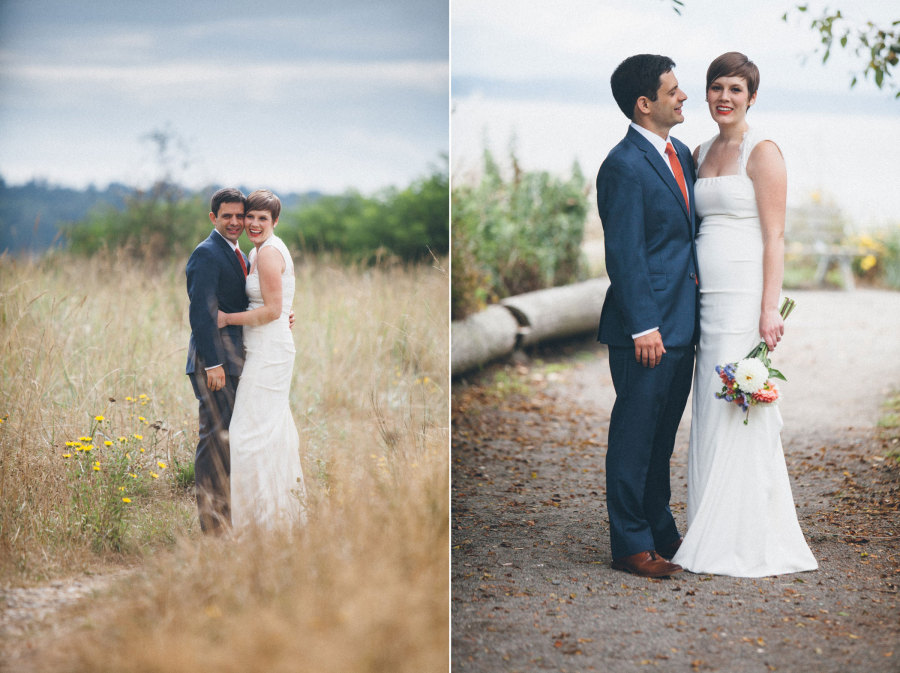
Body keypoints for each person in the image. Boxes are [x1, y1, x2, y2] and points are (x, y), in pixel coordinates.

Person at [671, 53, 817, 577]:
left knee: (738, 403)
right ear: (706, 95)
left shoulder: (763, 151)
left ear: (751, 97)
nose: (724, 97)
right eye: (716, 88)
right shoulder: (697, 150)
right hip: (705, 300)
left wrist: (769, 308)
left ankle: (746, 532)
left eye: (735, 88)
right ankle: (709, 519)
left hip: (743, 298)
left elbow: (775, 236)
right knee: (710, 405)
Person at [595, 54, 700, 578]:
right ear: (646, 103)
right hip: (647, 330)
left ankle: (662, 532)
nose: (684, 97)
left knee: (661, 439)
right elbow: (625, 254)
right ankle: (630, 545)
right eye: (674, 90)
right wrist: (644, 325)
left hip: (684, 324)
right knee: (634, 439)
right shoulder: (622, 165)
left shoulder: (680, 152)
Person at [217, 189, 306, 531]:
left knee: (246, 436)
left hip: (269, 351)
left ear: (275, 222)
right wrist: (284, 313)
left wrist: (227, 319)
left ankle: (259, 525)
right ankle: (273, 519)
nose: (252, 223)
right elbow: (277, 305)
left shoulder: (267, 254)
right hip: (266, 345)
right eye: (249, 216)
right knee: (269, 432)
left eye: (261, 219)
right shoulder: (259, 252)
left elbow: (270, 310)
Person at [185, 188, 251, 535]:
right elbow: (201, 313)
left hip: (233, 363)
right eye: (227, 216)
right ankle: (213, 529)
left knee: (228, 443)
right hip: (215, 365)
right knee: (214, 443)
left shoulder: (239, 254)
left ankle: (227, 519)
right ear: (214, 218)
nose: (235, 222)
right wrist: (212, 364)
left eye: (240, 216)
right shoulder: (207, 253)